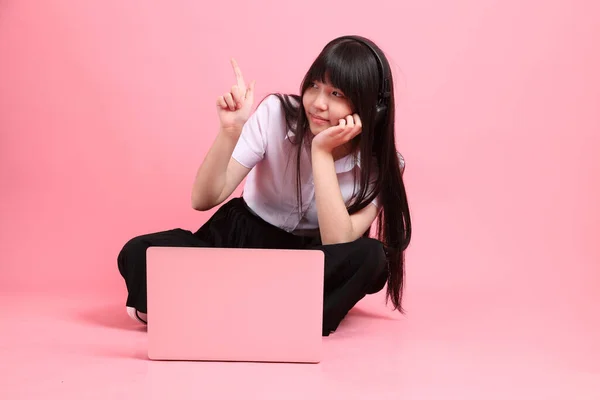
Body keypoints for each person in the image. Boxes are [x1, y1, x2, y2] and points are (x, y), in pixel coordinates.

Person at [117, 35, 412, 336]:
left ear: (370, 106)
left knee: (372, 258)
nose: (319, 103)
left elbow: (338, 243)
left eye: (337, 93)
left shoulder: (384, 165)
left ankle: (227, 310)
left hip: (306, 264)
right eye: (314, 86)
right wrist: (230, 132)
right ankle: (267, 313)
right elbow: (203, 198)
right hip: (240, 241)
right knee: (141, 252)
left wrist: (321, 154)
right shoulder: (276, 114)